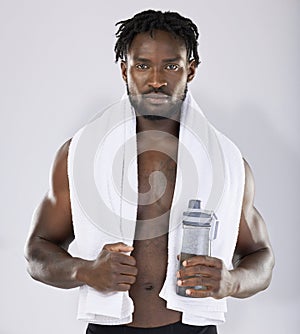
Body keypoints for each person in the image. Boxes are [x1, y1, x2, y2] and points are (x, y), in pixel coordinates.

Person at [24, 10, 275, 334]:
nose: (156, 80)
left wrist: (232, 281)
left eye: (171, 66)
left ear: (191, 70)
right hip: (110, 328)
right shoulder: (79, 153)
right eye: (143, 65)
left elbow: (262, 257)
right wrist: (84, 271)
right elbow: (36, 251)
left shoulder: (227, 162)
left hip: (193, 329)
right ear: (125, 70)